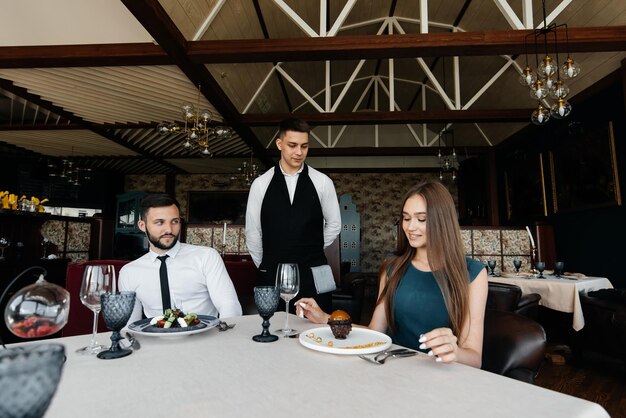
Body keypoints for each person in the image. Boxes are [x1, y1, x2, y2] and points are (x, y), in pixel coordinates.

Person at [297, 181, 488, 367]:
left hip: (445, 375)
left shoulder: (473, 273)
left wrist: (455, 351)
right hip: (396, 369)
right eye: (406, 218)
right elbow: (374, 332)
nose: (410, 227)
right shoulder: (393, 267)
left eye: (421, 219)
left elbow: (474, 358)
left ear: (442, 221)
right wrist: (324, 318)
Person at [245, 118, 341, 313]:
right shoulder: (261, 184)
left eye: (304, 146)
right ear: (279, 144)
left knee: (318, 331)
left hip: (314, 272)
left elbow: (335, 225)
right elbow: (253, 233)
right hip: (272, 272)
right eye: (293, 145)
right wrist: (267, 263)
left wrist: (311, 247)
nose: (299, 152)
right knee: (273, 330)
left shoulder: (323, 182)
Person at [119, 193, 242, 324]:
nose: (169, 229)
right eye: (159, 222)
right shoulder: (129, 272)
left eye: (175, 221)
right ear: (142, 225)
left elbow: (230, 306)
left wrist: (222, 339)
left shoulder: (206, 257)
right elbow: (130, 324)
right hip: (156, 341)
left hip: (204, 339)